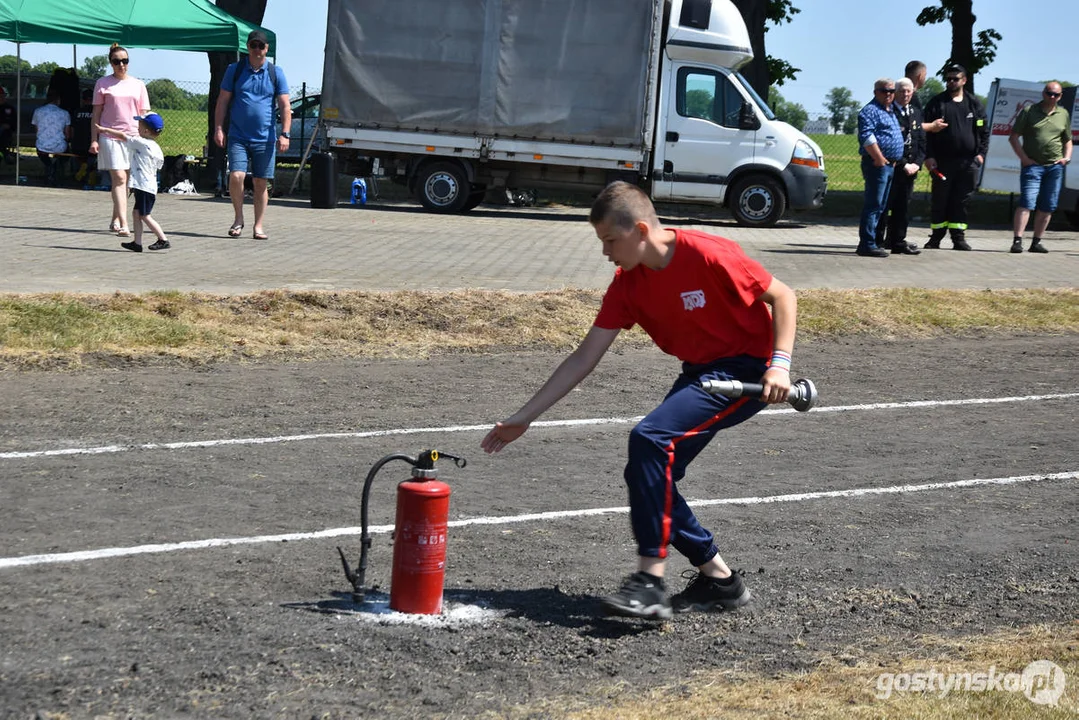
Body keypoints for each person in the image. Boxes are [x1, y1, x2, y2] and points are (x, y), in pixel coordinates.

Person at [480, 181, 798, 621]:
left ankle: (649, 581)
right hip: (702, 373)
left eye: (611, 240)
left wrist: (779, 366)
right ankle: (720, 580)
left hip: (745, 372)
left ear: (641, 231)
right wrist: (524, 418)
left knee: (649, 440)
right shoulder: (627, 285)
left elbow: (783, 296)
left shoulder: (708, 254)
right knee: (647, 471)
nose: (606, 252)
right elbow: (583, 358)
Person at [213, 30, 292, 240]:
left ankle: (258, 226)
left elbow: (285, 105)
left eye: (261, 46)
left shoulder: (276, 73)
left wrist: (285, 134)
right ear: (247, 47)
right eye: (253, 45)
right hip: (238, 136)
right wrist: (219, 128)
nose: (257, 50)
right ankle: (238, 219)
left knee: (260, 182)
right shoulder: (235, 70)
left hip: (265, 138)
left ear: (266, 49)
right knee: (237, 175)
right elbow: (222, 101)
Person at [922, 64, 989, 251]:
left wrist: (980, 155)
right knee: (940, 200)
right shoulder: (937, 103)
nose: (951, 82)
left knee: (962, 201)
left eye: (955, 79)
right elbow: (925, 134)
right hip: (942, 162)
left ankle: (958, 238)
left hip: (968, 163)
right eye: (948, 78)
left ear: (964, 80)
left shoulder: (974, 104)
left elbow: (984, 132)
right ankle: (935, 238)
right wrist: (929, 156)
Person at [90, 44, 151, 236]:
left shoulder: (138, 85)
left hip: (133, 137)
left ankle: (115, 218)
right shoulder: (102, 83)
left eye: (124, 61)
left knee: (126, 182)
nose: (121, 65)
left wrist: (145, 140)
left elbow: (144, 114)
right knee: (119, 178)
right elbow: (96, 113)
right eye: (117, 61)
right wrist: (94, 139)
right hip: (109, 136)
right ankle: (125, 223)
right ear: (110, 63)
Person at [1008, 81, 1073, 254]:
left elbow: (1067, 139)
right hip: (1033, 166)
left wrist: (1066, 158)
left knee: (1048, 205)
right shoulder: (1029, 111)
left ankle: (1036, 242)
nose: (1052, 97)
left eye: (1056, 95)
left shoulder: (1063, 114)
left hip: (1054, 167)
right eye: (1049, 93)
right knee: (1027, 203)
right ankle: (1017, 241)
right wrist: (1024, 159)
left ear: (1060, 96)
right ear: (1043, 93)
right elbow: (1013, 137)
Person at [96, 113, 169, 253]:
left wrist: (105, 130)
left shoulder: (141, 143)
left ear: (146, 131)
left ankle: (163, 239)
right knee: (136, 213)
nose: (137, 127)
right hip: (148, 186)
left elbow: (123, 137)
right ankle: (137, 243)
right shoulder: (156, 147)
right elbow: (159, 165)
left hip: (144, 187)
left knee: (144, 215)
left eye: (139, 125)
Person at [855, 78, 904, 258]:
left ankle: (873, 241)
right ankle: (866, 244)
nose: (889, 94)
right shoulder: (870, 111)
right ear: (876, 92)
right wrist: (879, 158)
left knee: (881, 205)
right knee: (874, 204)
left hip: (890, 164)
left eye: (892, 91)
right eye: (885, 91)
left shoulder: (890, 111)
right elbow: (867, 137)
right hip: (877, 163)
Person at [876, 77, 925, 255]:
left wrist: (918, 163)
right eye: (901, 91)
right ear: (895, 92)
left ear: (913, 92)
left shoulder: (916, 112)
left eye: (908, 91)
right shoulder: (889, 112)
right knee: (884, 205)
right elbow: (888, 142)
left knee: (903, 207)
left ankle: (898, 240)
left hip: (911, 169)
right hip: (894, 166)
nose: (905, 94)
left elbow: (921, 140)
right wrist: (904, 164)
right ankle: (878, 240)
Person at [31, 90, 72, 186]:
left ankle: (49, 165)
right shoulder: (65, 113)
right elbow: (67, 134)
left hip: (42, 145)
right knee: (66, 153)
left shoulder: (37, 111)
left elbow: (37, 131)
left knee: (40, 150)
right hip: (59, 146)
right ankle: (56, 166)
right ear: (58, 100)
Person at [904, 60, 948, 135]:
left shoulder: (900, 94)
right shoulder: (908, 98)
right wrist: (932, 126)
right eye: (925, 75)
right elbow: (910, 124)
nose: (925, 78)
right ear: (920, 76)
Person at [71, 88, 96, 184]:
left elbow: (72, 129)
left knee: (79, 156)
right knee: (94, 158)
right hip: (92, 145)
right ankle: (91, 171)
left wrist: (71, 140)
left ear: (83, 99)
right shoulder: (97, 113)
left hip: (77, 145)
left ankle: (84, 166)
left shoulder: (77, 112)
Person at [0, 85, 16, 164]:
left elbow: (14, 122)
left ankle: (5, 154)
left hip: (6, 133)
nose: (2, 98)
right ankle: (6, 154)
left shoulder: (9, 108)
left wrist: (8, 126)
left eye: (3, 95)